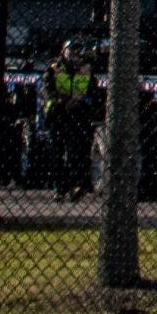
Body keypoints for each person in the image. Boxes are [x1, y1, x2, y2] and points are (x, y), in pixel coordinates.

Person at [42, 42, 97, 200]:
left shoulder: (86, 70)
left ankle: (75, 186)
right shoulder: (53, 69)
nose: (74, 53)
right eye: (71, 50)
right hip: (57, 115)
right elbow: (47, 91)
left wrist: (80, 101)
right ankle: (59, 189)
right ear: (63, 51)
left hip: (77, 116)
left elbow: (93, 91)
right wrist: (63, 101)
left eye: (77, 50)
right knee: (57, 154)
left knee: (76, 153)